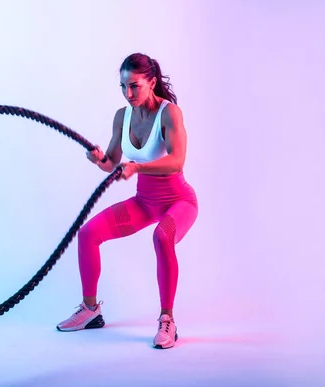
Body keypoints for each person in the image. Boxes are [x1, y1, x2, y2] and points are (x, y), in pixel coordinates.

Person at [56, 53, 198, 349]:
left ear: (152, 83)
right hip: (145, 202)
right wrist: (99, 160)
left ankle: (167, 320)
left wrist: (138, 167)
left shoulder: (170, 113)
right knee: (88, 234)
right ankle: (90, 310)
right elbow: (112, 163)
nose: (128, 93)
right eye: (123, 86)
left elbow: (176, 160)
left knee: (162, 237)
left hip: (178, 201)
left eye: (134, 86)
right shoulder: (123, 116)